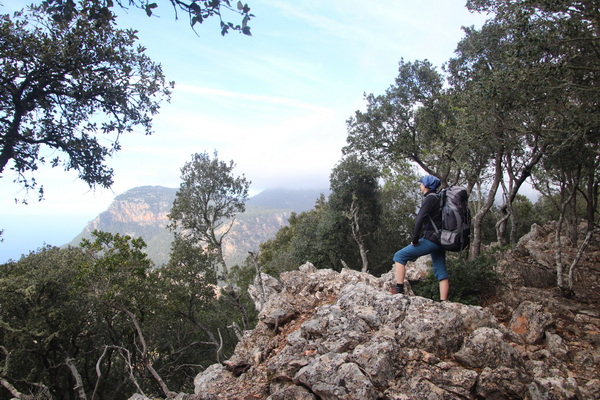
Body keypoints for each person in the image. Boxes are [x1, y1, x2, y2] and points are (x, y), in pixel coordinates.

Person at [392, 175, 449, 301]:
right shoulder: (440, 198)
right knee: (441, 272)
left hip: (431, 240)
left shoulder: (429, 199)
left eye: (421, 183)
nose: (420, 185)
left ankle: (399, 291)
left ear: (427, 186)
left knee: (399, 256)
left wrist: (415, 239)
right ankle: (444, 302)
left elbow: (419, 220)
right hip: (442, 240)